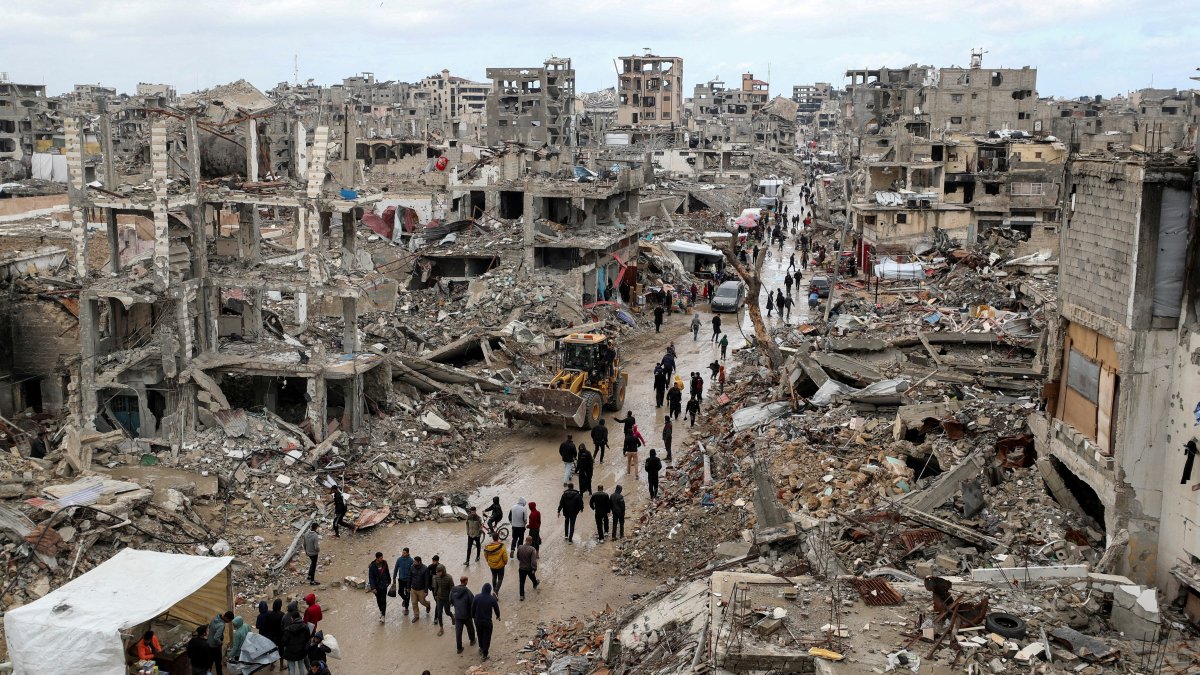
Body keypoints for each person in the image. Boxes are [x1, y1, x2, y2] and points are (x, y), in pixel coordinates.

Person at [472, 583, 501, 660]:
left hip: (478, 621)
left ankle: (481, 648)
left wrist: (473, 616)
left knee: (479, 634)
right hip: (487, 621)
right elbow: (496, 609)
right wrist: (498, 616)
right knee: (487, 637)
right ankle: (485, 654)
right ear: (489, 590)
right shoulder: (492, 599)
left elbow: (473, 608)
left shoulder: (477, 597)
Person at [449, 576, 476, 654]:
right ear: (466, 581)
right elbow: (472, 602)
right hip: (466, 614)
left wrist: (457, 607)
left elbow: (450, 600)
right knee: (470, 628)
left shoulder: (453, 591)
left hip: (457, 615)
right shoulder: (467, 591)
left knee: (458, 632)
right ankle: (472, 640)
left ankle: (459, 648)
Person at [279, 606, 310, 675]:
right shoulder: (305, 626)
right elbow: (308, 638)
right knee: (301, 666)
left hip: (290, 652)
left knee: (292, 668)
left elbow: (284, 642)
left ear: (292, 619)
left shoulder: (288, 629)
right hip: (301, 651)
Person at [260, 599, 285, 670]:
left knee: (272, 650)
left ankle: (272, 664)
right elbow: (283, 626)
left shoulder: (269, 614)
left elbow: (266, 625)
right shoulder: (282, 615)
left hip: (271, 636)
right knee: (281, 651)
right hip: (280, 636)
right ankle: (281, 665)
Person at [367, 552, 392, 622]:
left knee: (383, 600)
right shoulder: (372, 566)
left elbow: (387, 572)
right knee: (378, 600)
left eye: (382, 557)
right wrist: (373, 588)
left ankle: (383, 615)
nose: (382, 559)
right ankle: (381, 611)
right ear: (377, 558)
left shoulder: (384, 563)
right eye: (381, 558)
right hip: (376, 586)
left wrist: (389, 581)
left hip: (384, 585)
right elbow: (371, 577)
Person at [207, 611, 234, 675]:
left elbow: (210, 626)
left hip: (209, 643)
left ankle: (208, 673)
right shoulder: (221, 625)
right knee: (218, 662)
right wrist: (220, 642)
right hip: (215, 646)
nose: (229, 622)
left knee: (210, 662)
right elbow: (216, 637)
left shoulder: (215, 618)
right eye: (229, 620)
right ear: (226, 617)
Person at [432, 562, 454, 636]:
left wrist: (451, 600)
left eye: (440, 572)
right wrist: (435, 594)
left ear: (443, 571)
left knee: (447, 612)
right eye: (437, 572)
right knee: (439, 613)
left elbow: (452, 590)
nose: (438, 573)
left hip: (447, 599)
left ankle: (452, 616)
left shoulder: (449, 578)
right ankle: (441, 628)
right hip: (439, 598)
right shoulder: (436, 577)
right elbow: (436, 587)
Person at [409, 555, 432, 621]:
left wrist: (426, 591)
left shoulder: (425, 568)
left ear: (419, 562)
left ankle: (428, 605)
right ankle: (416, 616)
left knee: (422, 601)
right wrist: (408, 587)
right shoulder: (411, 567)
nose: (414, 563)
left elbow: (427, 580)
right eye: (413, 562)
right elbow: (409, 577)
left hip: (421, 589)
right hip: (413, 589)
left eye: (415, 562)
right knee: (414, 603)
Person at [393, 548, 413, 615]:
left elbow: (413, 571)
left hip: (408, 580)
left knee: (407, 593)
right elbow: (396, 568)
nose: (403, 554)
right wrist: (394, 577)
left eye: (404, 553)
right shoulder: (399, 560)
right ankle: (405, 600)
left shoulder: (411, 560)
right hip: (401, 579)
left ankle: (406, 608)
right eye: (402, 552)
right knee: (400, 592)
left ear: (407, 553)